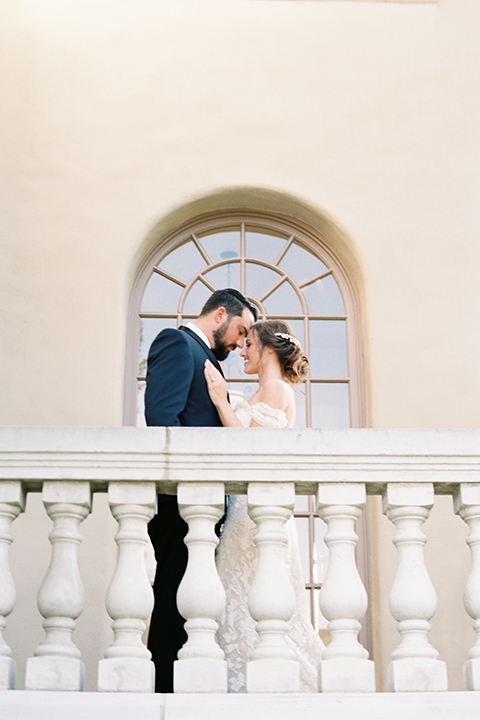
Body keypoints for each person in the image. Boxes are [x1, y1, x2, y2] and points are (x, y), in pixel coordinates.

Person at [144, 288, 257, 693]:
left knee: (193, 605)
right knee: (174, 601)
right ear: (219, 314)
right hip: (179, 503)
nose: (240, 342)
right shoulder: (177, 343)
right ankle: (164, 691)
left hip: (203, 505)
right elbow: (162, 419)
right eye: (240, 330)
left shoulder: (207, 358)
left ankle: (184, 688)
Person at [204, 320, 325, 692]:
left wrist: (223, 402)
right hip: (247, 509)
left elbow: (249, 452)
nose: (243, 350)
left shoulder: (274, 388)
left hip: (256, 513)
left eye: (250, 344)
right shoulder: (268, 389)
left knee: (252, 597)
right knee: (241, 595)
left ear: (269, 349)